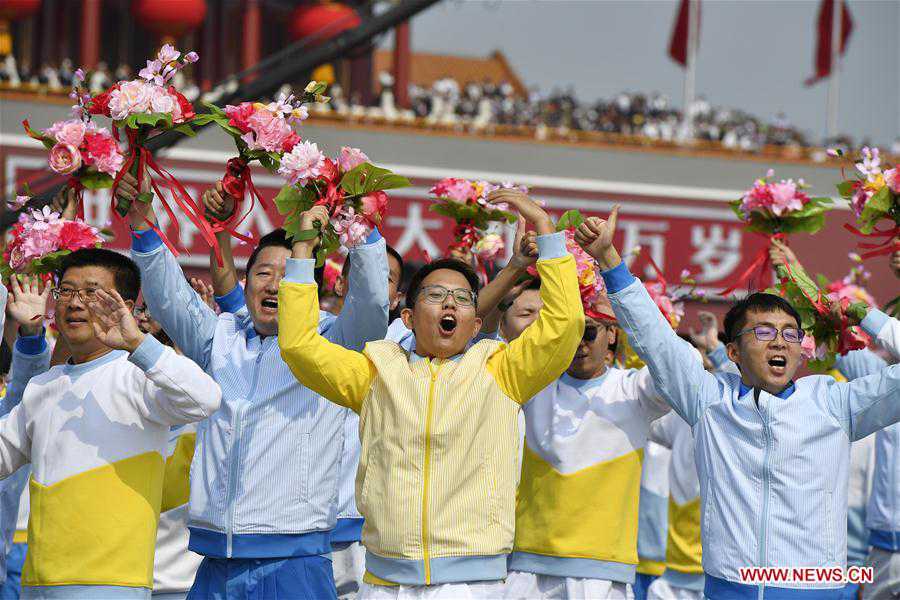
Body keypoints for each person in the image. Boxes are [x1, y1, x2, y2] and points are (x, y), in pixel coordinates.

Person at [278, 189, 584, 598]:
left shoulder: (502, 371)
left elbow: (564, 327)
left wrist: (546, 231)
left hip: (470, 584)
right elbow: (299, 346)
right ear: (407, 316)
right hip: (384, 582)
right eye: (436, 295)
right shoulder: (375, 372)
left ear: (476, 324)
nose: (450, 304)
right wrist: (301, 250)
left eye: (462, 299)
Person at [576, 214, 900, 598]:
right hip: (729, 589)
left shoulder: (835, 404)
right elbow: (656, 341)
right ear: (733, 351)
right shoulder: (709, 400)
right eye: (762, 332)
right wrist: (610, 261)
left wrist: (867, 316)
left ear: (801, 351)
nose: (779, 342)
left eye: (790, 334)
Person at [121, 171, 389, 600]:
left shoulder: (333, 342)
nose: (274, 283)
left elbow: (373, 304)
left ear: (308, 285)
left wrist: (362, 227)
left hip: (294, 562)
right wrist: (141, 222)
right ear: (247, 283)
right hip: (215, 561)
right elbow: (170, 298)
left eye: (289, 273)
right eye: (263, 272)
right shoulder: (221, 338)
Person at [0, 249, 221, 599]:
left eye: (91, 293)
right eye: (67, 291)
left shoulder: (138, 375)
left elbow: (204, 399)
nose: (75, 303)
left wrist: (137, 341)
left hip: (112, 585)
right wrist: (28, 333)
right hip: (38, 585)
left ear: (127, 306)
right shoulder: (44, 386)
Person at [504, 251, 672, 599]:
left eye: (590, 331)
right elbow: (488, 338)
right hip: (528, 567)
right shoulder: (531, 383)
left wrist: (613, 269)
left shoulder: (634, 389)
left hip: (603, 572)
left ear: (612, 335)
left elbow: (672, 366)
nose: (579, 343)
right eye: (572, 332)